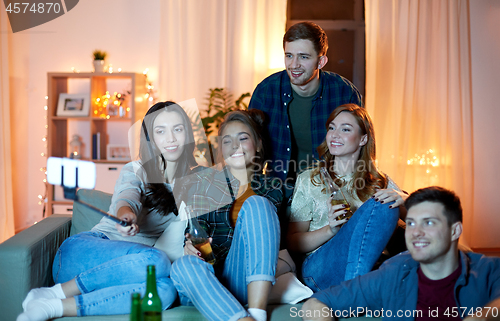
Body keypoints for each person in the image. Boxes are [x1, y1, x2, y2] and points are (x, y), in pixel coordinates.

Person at [17, 101, 198, 321]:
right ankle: (55, 292)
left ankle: (53, 307)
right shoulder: (137, 169)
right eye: (160, 131)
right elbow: (127, 196)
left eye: (177, 129)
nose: (170, 138)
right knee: (158, 262)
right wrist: (126, 215)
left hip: (126, 274)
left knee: (164, 292)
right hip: (82, 254)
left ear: (187, 134)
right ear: (150, 139)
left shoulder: (194, 184)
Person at [301, 186, 500, 321]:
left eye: (429, 222)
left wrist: (482, 316)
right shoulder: (393, 274)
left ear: (454, 231)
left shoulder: (487, 269)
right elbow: (315, 303)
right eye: (411, 223)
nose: (416, 232)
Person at [170, 110, 283, 321]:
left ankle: (257, 314)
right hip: (207, 280)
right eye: (227, 141)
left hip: (243, 277)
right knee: (182, 266)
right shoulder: (204, 185)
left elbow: (271, 244)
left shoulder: (273, 188)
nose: (235, 146)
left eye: (243, 138)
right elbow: (195, 231)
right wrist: (190, 246)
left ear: (258, 145)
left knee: (257, 204)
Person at [287, 104, 406, 292]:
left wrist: (404, 198)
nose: (334, 135)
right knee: (380, 205)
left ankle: (356, 290)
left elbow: (416, 222)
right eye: (332, 128)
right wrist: (330, 230)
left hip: (368, 263)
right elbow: (292, 242)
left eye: (345, 129)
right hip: (319, 267)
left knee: (385, 204)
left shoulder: (380, 181)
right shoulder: (310, 179)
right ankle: (358, 293)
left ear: (363, 139)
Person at [248, 21, 363, 185]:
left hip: (328, 189)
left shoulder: (345, 93)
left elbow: (360, 150)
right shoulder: (266, 91)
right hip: (277, 190)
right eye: (289, 56)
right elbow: (250, 150)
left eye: (303, 57)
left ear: (321, 61)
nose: (294, 65)